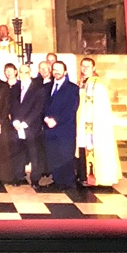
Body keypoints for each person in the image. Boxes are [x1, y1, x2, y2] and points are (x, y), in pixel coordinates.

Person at [76, 57, 121, 193]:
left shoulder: (96, 84)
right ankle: (87, 177)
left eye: (88, 66)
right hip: (85, 123)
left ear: (94, 68)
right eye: (83, 66)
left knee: (95, 149)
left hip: (94, 125)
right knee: (86, 149)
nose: (85, 69)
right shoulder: (85, 82)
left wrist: (93, 125)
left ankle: (99, 178)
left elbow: (98, 107)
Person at [42, 56, 80, 191]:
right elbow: (43, 105)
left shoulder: (73, 88)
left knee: (65, 156)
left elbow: (71, 108)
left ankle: (68, 183)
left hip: (65, 129)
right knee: (53, 155)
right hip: (49, 128)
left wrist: (56, 120)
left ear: (65, 72)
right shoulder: (47, 87)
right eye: (54, 70)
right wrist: (46, 118)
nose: (56, 72)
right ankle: (57, 180)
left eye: (59, 70)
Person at [9, 60, 49, 187]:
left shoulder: (38, 88)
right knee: (18, 152)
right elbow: (12, 106)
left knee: (34, 153)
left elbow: (38, 108)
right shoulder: (15, 88)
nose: (23, 74)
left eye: (26, 72)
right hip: (16, 126)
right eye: (21, 72)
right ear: (18, 73)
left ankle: (35, 179)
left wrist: (26, 123)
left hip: (31, 126)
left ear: (30, 73)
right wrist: (15, 121)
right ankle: (19, 176)